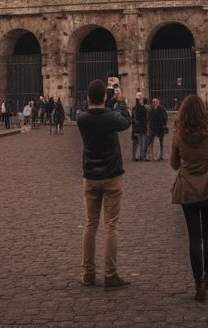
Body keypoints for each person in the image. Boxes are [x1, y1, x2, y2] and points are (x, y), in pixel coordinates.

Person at [76, 78, 132, 289]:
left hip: (90, 176)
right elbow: (125, 121)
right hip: (111, 176)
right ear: (105, 97)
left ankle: (88, 273)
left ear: (88, 98)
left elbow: (97, 113)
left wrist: (106, 100)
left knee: (90, 224)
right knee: (111, 226)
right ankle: (110, 274)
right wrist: (122, 101)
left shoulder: (82, 119)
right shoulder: (111, 118)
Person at [170, 94, 208, 302]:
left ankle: (198, 284)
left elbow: (174, 164)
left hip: (188, 190)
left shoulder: (178, 134)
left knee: (194, 237)